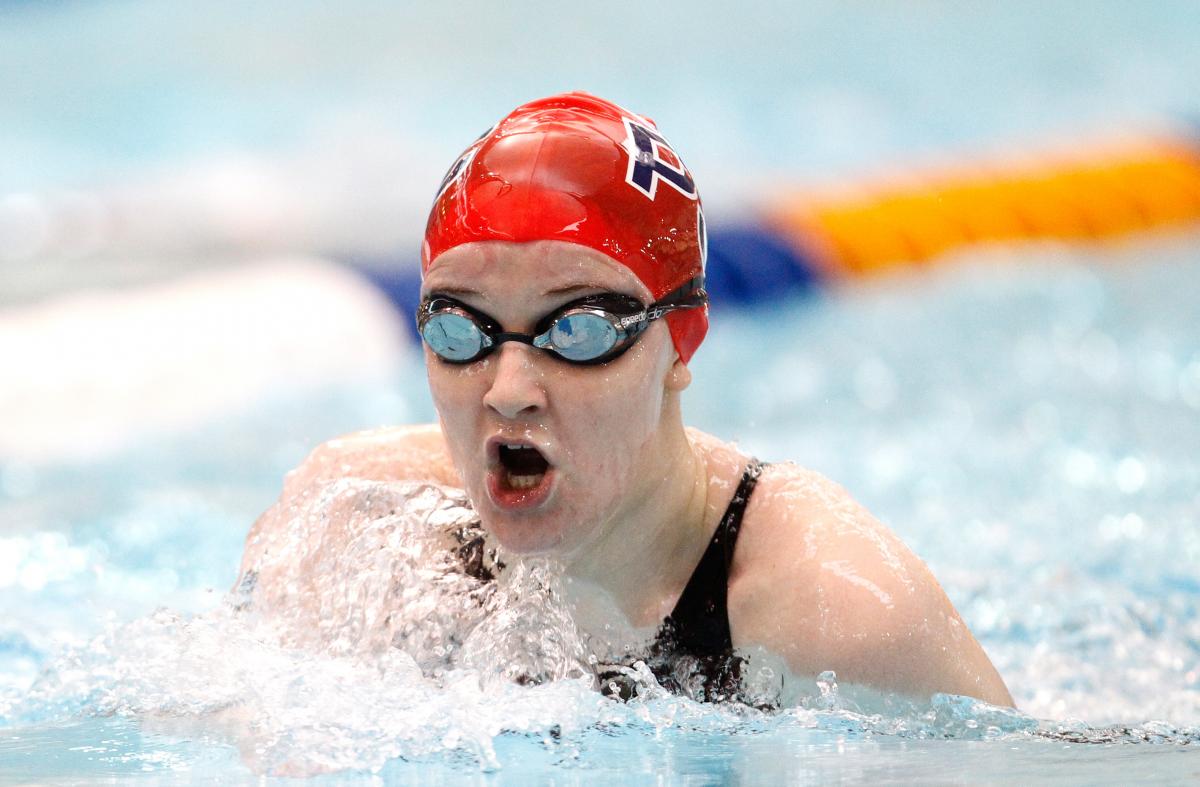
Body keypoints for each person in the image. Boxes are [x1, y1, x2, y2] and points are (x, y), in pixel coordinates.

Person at [237, 92, 1013, 707]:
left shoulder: (834, 611)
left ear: (683, 340)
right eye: (460, 329)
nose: (508, 391)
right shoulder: (353, 521)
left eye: (576, 329)